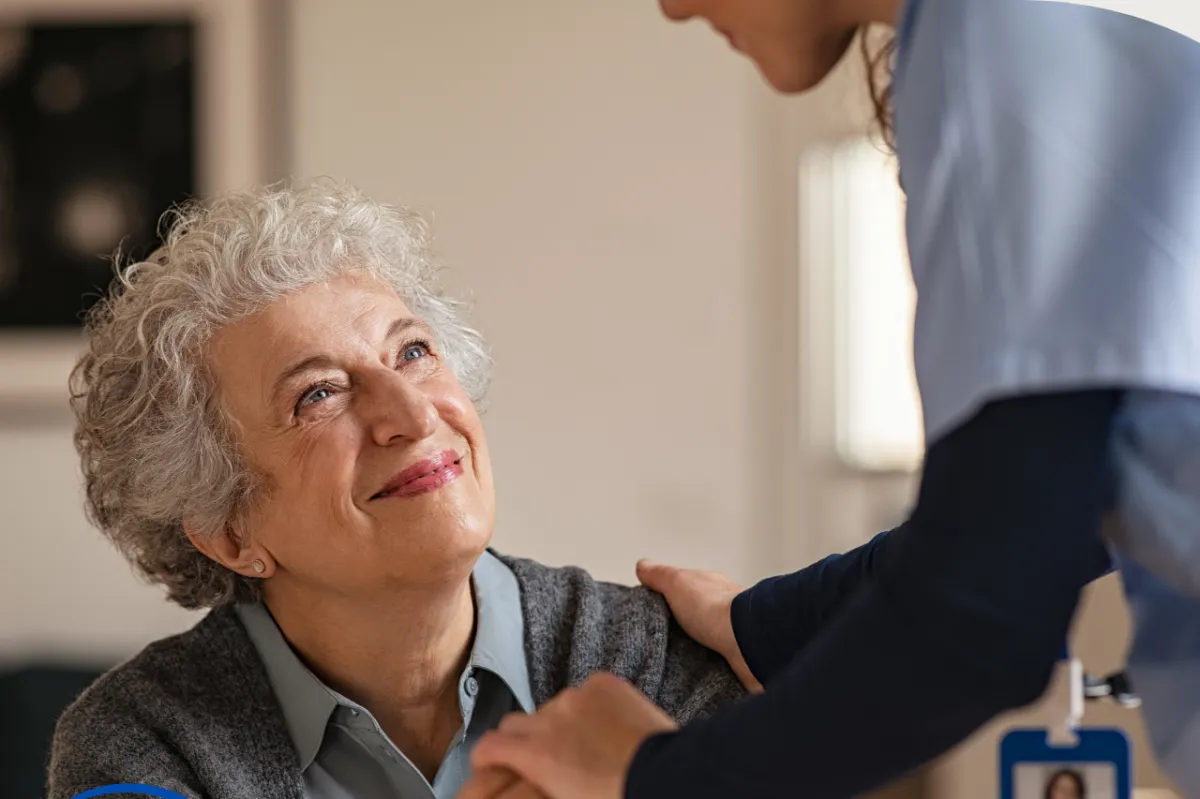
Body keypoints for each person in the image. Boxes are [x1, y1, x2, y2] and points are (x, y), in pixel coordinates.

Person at [458, 0, 1200, 797]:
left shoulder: (994, 42)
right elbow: (1073, 493)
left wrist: (656, 777)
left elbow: (986, 612)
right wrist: (771, 625)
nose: (672, 7)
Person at [46, 180, 752, 799]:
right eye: (317, 394)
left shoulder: (649, 660)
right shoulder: (143, 740)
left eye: (412, 353)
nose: (413, 415)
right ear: (230, 531)